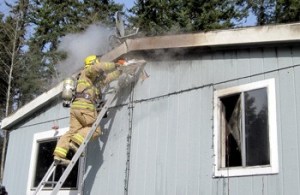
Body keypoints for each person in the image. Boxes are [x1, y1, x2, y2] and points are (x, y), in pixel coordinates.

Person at [53, 55, 125, 165]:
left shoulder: (89, 81)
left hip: (75, 108)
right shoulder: (87, 72)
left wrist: (120, 72)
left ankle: (59, 155)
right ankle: (76, 143)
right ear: (92, 63)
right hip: (85, 106)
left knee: (72, 131)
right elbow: (98, 67)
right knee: (95, 130)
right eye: (96, 63)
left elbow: (107, 79)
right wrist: (115, 65)